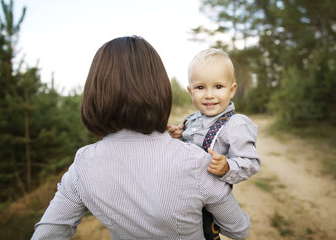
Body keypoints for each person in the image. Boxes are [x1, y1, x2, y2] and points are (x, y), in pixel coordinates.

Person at [31, 36, 250, 240]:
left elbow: (49, 232)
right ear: (159, 89)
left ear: (95, 92)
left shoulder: (83, 165)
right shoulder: (195, 161)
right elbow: (238, 229)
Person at [168, 48, 260, 240]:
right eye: (201, 88)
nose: (209, 95)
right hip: (186, 191)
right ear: (190, 91)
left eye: (218, 87)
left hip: (215, 191)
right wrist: (178, 137)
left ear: (232, 89)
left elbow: (250, 162)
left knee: (237, 230)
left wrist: (227, 166)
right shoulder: (191, 121)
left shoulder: (235, 124)